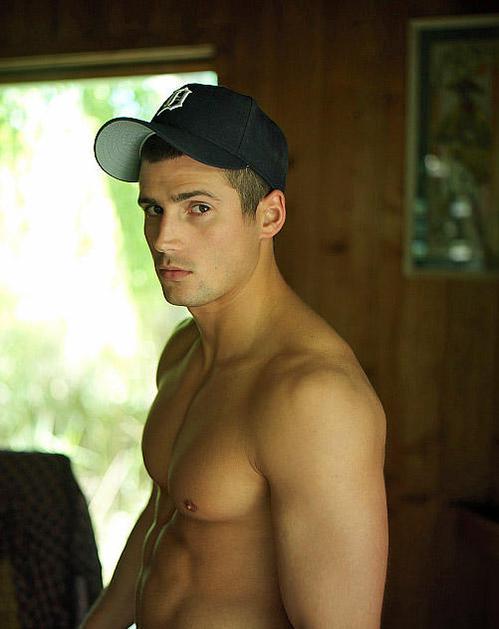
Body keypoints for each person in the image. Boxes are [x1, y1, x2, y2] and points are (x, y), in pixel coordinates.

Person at [82, 83, 388, 628]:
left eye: (197, 208)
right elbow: (164, 521)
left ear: (269, 216)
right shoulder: (184, 351)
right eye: (153, 208)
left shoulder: (312, 398)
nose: (164, 239)